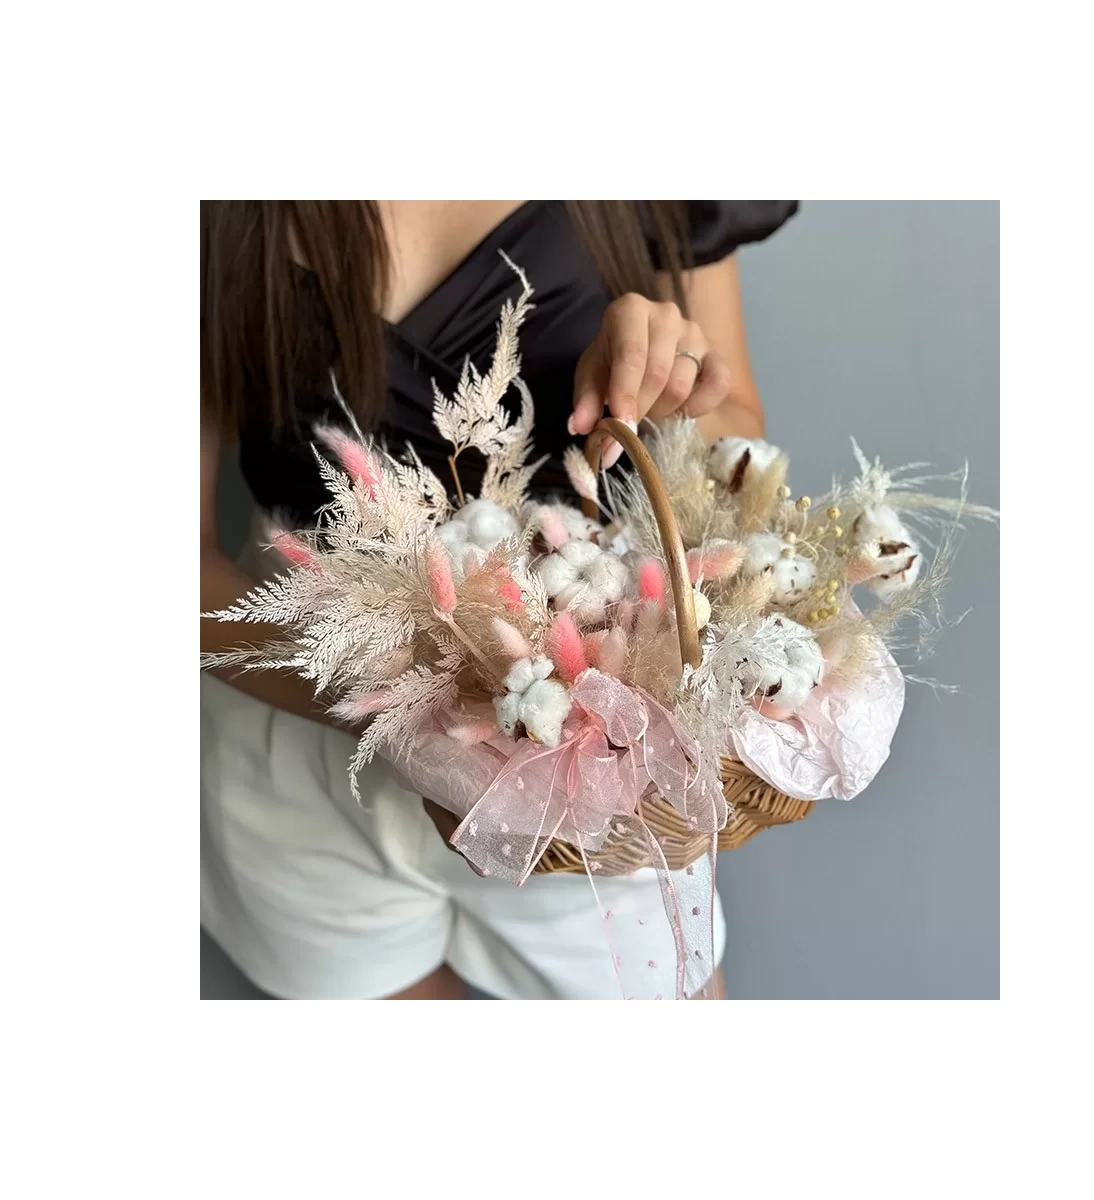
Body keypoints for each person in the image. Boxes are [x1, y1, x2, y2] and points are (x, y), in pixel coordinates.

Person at [200, 200, 799, 999]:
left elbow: (735, 434)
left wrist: (673, 380)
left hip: (581, 765)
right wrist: (424, 701)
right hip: (304, 745)